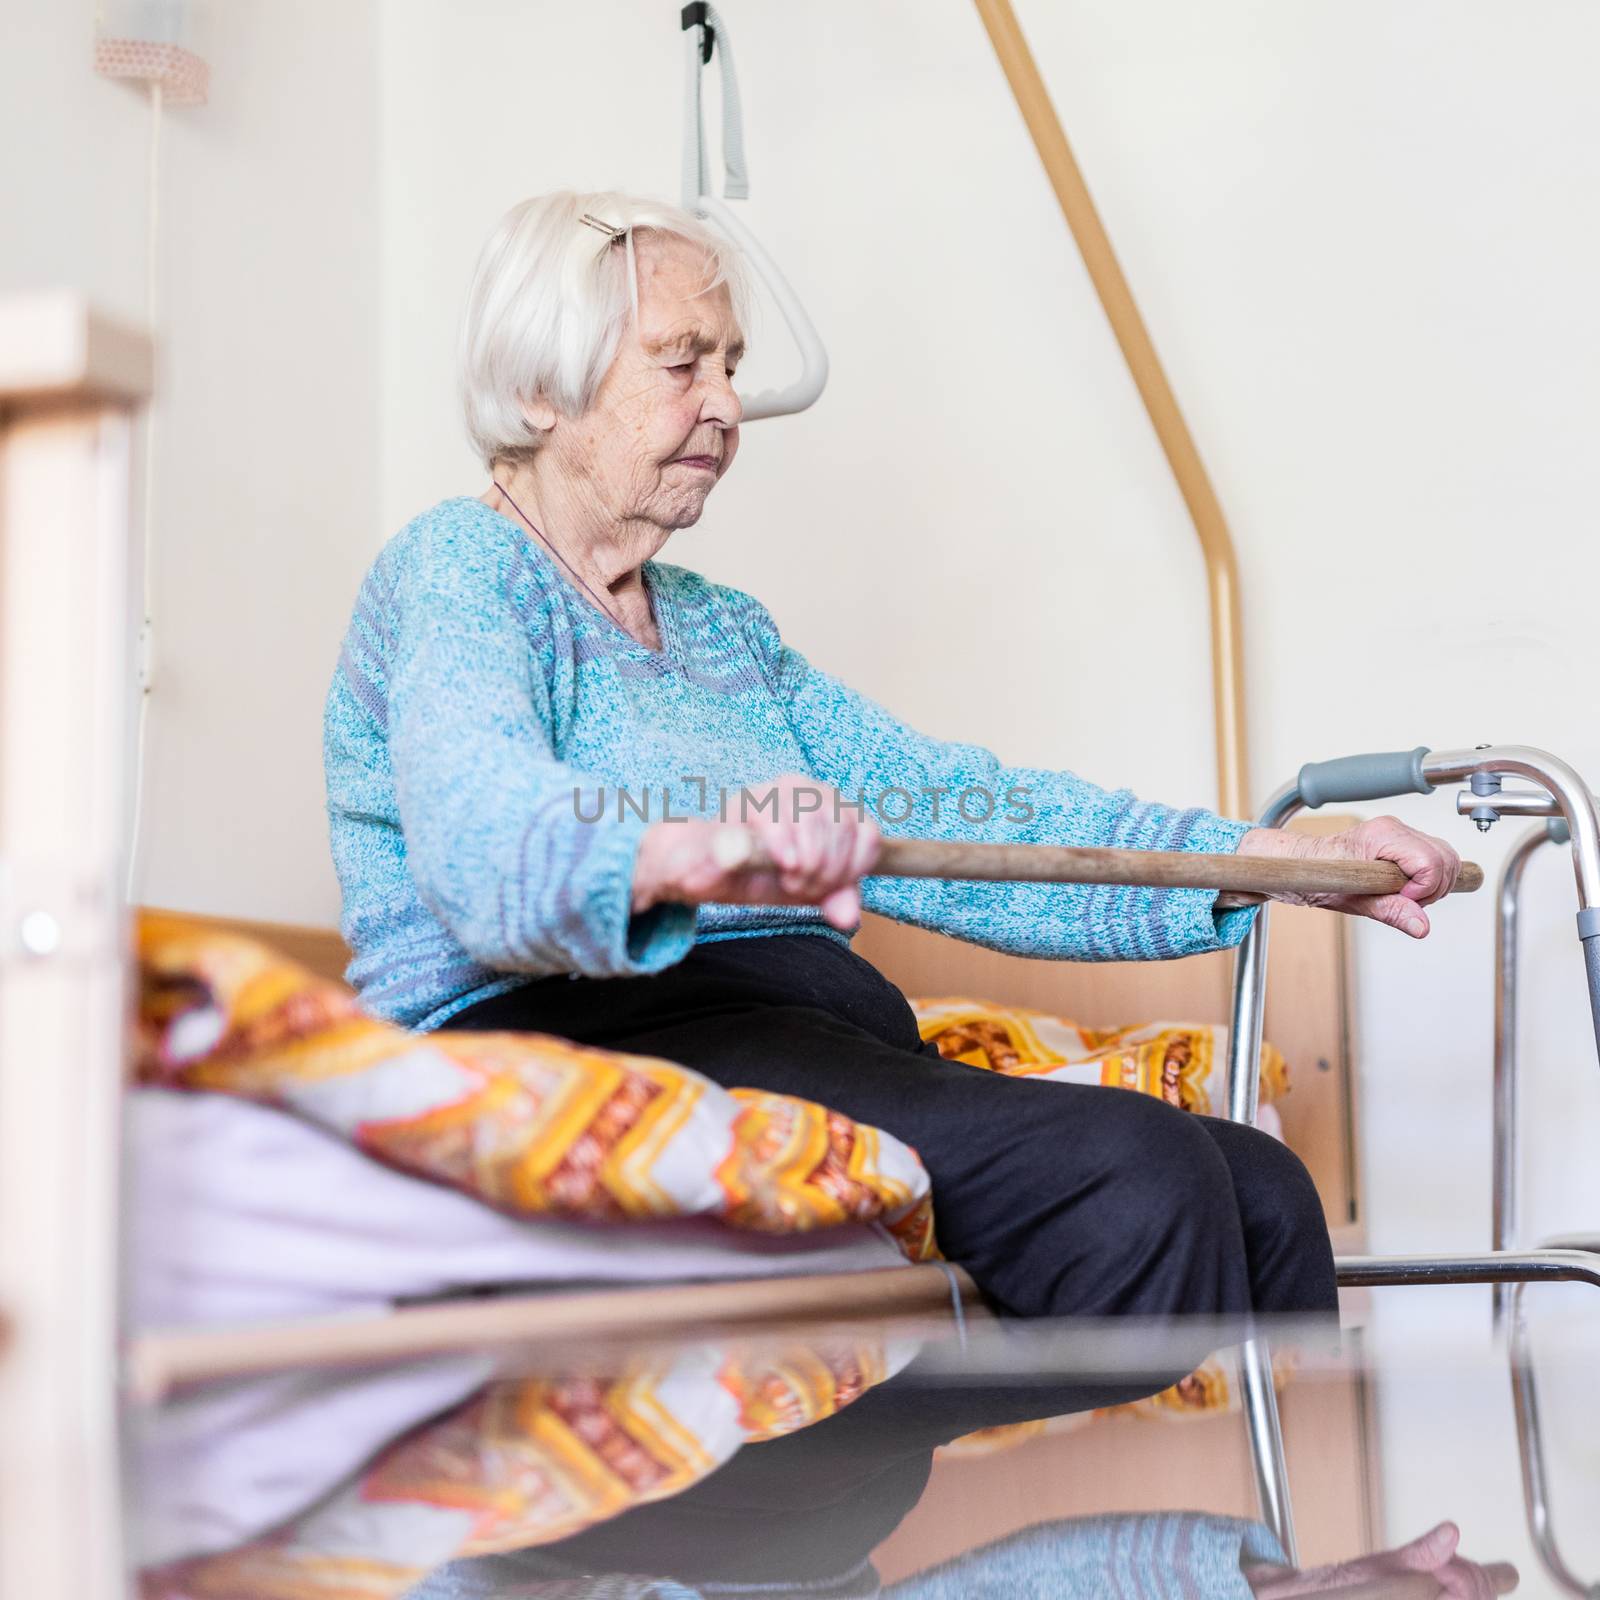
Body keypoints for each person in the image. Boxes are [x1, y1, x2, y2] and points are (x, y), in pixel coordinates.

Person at [323, 190, 1461, 1322]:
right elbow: (480, 833)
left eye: (730, 364)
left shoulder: (720, 627)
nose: (726, 403)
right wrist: (691, 850)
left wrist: (1281, 858)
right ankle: (1142, 1506)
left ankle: (1274, 1510)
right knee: (1131, 1175)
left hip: (800, 1035)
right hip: (577, 1039)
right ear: (537, 387)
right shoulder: (460, 570)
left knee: (1261, 1188)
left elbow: (963, 807)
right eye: (682, 363)